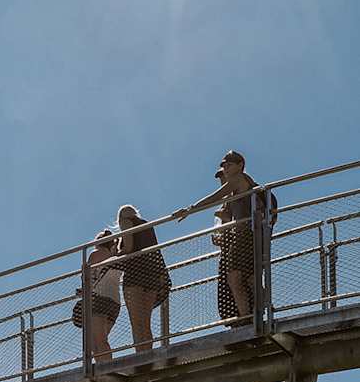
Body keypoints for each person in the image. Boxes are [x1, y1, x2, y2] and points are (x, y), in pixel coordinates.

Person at [179, 151, 278, 328]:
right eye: (223, 166)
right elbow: (227, 210)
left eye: (228, 165)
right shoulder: (243, 185)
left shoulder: (238, 179)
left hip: (244, 236)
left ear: (240, 165)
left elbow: (213, 197)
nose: (225, 169)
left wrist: (189, 209)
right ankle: (265, 308)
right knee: (249, 277)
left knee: (233, 277)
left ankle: (247, 317)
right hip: (253, 235)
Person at [112, 203, 170, 356]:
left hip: (135, 274)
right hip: (151, 274)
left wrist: (116, 253)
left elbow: (129, 248)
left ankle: (141, 356)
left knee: (136, 323)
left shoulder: (126, 222)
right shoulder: (146, 225)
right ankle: (148, 355)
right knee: (146, 323)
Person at [75, 226, 122, 369]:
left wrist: (84, 273)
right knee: (100, 340)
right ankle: (105, 367)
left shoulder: (96, 254)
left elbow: (87, 278)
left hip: (99, 299)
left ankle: (106, 368)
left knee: (97, 341)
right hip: (114, 302)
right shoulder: (117, 257)